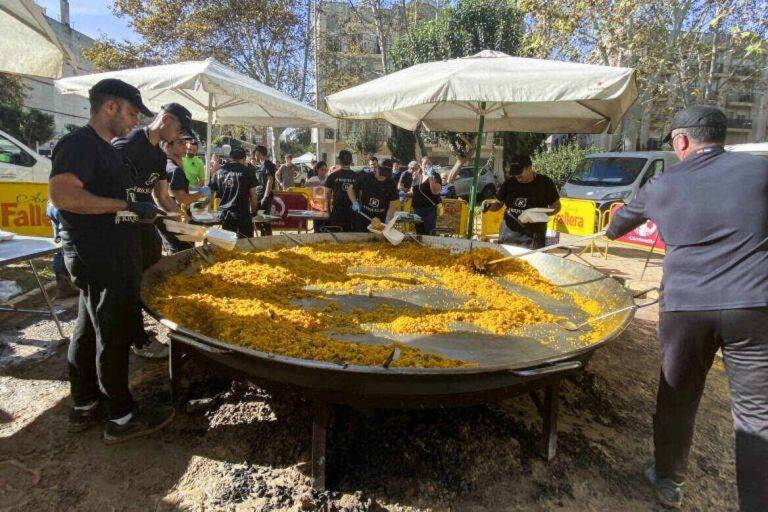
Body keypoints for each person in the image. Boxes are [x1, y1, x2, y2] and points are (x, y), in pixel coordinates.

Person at [606, 105, 768, 512]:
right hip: (754, 306)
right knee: (757, 416)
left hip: (686, 310)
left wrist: (611, 227)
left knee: (678, 397)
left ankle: (668, 480)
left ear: (681, 141)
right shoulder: (760, 171)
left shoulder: (663, 183)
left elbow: (618, 224)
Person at [48, 78, 174, 443]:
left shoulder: (105, 149)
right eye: (132, 113)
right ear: (110, 107)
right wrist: (124, 205)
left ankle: (85, 403)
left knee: (87, 328)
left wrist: (137, 211)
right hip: (98, 254)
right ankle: (121, 416)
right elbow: (63, 195)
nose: (135, 122)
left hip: (101, 252)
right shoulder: (79, 144)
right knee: (113, 331)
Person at [112, 102, 193, 359]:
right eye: (178, 130)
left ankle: (142, 331)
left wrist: (180, 221)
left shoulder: (159, 155)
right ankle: (136, 337)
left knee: (150, 275)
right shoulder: (126, 144)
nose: (178, 137)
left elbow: (161, 196)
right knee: (130, 281)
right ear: (166, 119)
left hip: (146, 227)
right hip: (122, 228)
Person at [484, 155, 560, 249]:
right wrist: (488, 206)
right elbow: (498, 204)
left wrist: (542, 214)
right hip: (508, 235)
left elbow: (556, 206)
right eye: (515, 174)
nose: (517, 177)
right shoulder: (509, 183)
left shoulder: (545, 183)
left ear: (529, 168)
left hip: (533, 238)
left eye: (520, 173)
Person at [209, 147, 259, 238]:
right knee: (246, 247)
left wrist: (213, 212)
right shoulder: (248, 171)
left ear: (230, 158)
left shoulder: (219, 172)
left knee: (229, 246)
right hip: (243, 215)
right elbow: (253, 196)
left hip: (226, 216)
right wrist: (254, 211)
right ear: (244, 159)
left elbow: (212, 194)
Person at [164, 137, 203, 253]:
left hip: (170, 218)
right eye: (180, 143)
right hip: (177, 221)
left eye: (185, 143)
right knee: (184, 254)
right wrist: (201, 194)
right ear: (168, 146)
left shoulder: (166, 165)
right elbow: (183, 199)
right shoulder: (175, 170)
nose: (185, 147)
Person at [348, 158, 399, 231]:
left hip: (381, 218)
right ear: (377, 169)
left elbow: (393, 204)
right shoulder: (366, 178)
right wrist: (354, 202)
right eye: (381, 175)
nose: (382, 178)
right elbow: (350, 189)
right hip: (364, 216)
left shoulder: (391, 183)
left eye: (385, 176)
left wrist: (388, 220)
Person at [45, 202, 78, 299]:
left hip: (52, 205)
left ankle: (63, 286)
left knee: (59, 244)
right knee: (69, 243)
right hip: (65, 207)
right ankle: (66, 286)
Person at [324, 150, 359, 232]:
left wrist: (328, 211)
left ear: (339, 161)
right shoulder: (357, 176)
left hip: (338, 212)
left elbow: (327, 196)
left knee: (337, 239)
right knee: (351, 240)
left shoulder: (332, 176)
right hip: (352, 212)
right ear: (351, 161)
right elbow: (360, 195)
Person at [410, 158, 442, 236]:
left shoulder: (435, 176)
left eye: (429, 164)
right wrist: (403, 194)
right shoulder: (417, 176)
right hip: (417, 209)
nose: (427, 165)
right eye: (425, 163)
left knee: (429, 233)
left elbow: (435, 191)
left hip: (429, 210)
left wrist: (430, 177)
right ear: (421, 165)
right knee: (419, 233)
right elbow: (412, 191)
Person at [252, 145, 276, 236]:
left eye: (256, 153)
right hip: (258, 195)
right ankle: (262, 239)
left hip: (265, 196)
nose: (255, 156)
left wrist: (265, 197)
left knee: (265, 220)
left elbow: (270, 180)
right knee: (260, 220)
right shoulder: (260, 165)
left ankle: (268, 240)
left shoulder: (268, 164)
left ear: (260, 153)